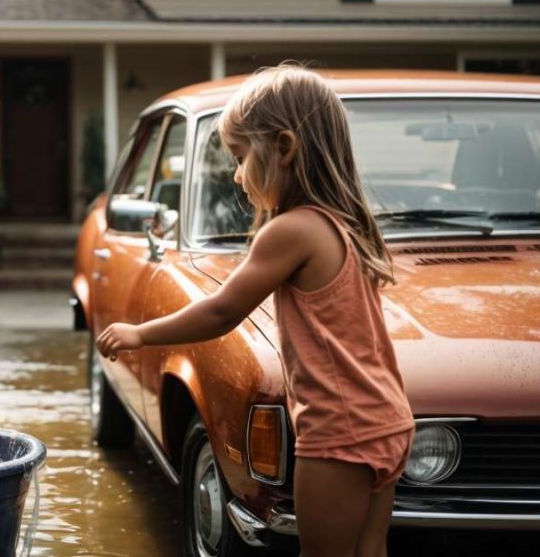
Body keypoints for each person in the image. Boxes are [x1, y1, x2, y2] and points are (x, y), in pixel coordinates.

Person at [96, 65, 414, 557]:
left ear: (283, 148)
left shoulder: (291, 231)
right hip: (386, 420)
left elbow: (222, 311)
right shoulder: (343, 225)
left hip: (338, 430)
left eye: (241, 158)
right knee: (368, 551)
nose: (238, 176)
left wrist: (140, 334)